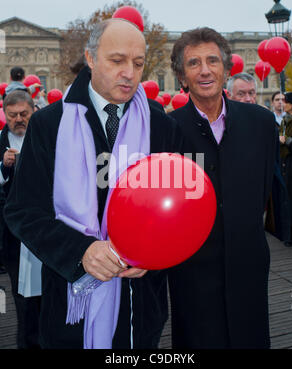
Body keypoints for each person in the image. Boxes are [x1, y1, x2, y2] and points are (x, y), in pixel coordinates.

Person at [3, 19, 183, 349]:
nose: (130, 72)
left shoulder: (162, 125)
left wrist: (151, 253)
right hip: (69, 305)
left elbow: (176, 210)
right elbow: (23, 211)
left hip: (140, 306)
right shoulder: (48, 124)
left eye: (139, 63)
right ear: (90, 58)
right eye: (117, 61)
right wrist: (81, 252)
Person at [167, 27, 277, 349]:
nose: (204, 70)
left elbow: (264, 188)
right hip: (192, 270)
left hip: (249, 262)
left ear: (226, 70)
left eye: (212, 61)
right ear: (182, 77)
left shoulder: (261, 123)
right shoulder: (167, 130)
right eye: (193, 63)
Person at [227, 74, 291, 244]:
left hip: (256, 205)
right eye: (241, 94)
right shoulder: (218, 124)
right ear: (229, 95)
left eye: (251, 93)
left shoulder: (265, 122)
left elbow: (273, 164)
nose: (248, 99)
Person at [0, 90, 41, 348]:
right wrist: (4, 167)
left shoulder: (45, 136)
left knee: (47, 295)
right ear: (5, 114)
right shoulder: (0, 141)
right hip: (14, 234)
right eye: (13, 115)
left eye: (23, 114)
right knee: (22, 298)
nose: (18, 119)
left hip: (45, 229)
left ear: (32, 111)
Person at [279, 92, 292, 246]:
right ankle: (289, 233)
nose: (282, 104)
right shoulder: (284, 121)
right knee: (287, 200)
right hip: (285, 165)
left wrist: (287, 141)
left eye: (285, 101)